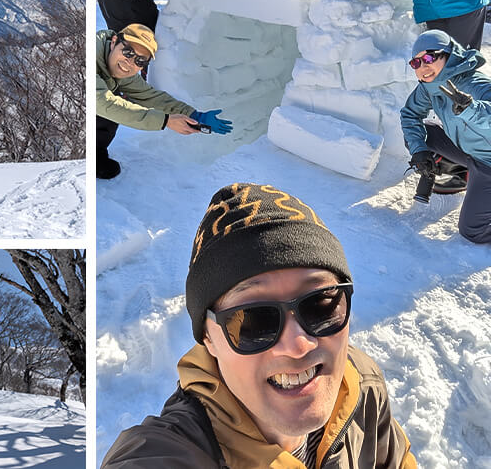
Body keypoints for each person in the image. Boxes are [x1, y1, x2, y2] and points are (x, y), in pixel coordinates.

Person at [101, 183, 417, 468]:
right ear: (208, 338)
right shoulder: (169, 452)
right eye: (253, 320)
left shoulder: (360, 384)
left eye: (320, 304)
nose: (298, 345)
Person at [96, 24, 232, 180]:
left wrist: (194, 115)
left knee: (113, 105)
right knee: (111, 106)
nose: (130, 62)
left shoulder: (121, 70)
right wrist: (165, 121)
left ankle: (96, 152)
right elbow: (103, 102)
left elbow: (150, 96)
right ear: (114, 41)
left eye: (140, 61)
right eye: (128, 52)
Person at [402, 29, 491, 238]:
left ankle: (478, 182)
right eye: (416, 63)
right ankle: (461, 175)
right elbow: (410, 114)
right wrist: (419, 150)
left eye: (428, 58)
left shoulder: (474, 83)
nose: (423, 67)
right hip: (468, 150)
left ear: (449, 55)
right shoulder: (429, 86)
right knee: (423, 137)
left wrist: (471, 109)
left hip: (488, 162)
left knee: (473, 230)